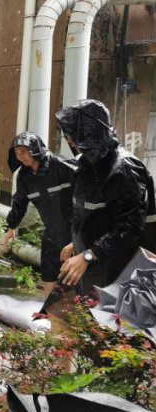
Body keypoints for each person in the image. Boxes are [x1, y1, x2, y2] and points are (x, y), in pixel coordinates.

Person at [57, 99, 156, 293]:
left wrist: (88, 255)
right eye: (67, 134)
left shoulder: (125, 169)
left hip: (120, 272)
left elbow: (128, 229)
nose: (69, 140)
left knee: (111, 310)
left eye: (73, 134)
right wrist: (77, 242)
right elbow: (96, 217)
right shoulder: (88, 165)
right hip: (94, 266)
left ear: (91, 132)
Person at [3, 132, 77, 297]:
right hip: (51, 231)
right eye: (17, 153)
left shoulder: (59, 165)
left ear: (35, 149)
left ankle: (77, 306)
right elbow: (19, 203)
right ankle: (47, 307)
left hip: (74, 230)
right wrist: (11, 227)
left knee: (74, 274)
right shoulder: (24, 176)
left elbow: (87, 184)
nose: (21, 156)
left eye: (24, 151)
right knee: (49, 272)